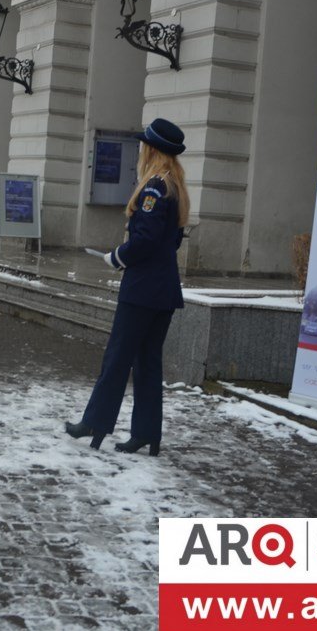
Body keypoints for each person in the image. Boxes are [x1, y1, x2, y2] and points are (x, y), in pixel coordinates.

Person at [65, 118, 190, 457]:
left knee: (117, 358)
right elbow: (172, 241)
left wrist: (117, 257)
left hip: (142, 289)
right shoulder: (175, 187)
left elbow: (146, 240)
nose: (140, 150)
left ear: (152, 150)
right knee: (148, 363)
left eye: (143, 144)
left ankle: (95, 422)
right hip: (163, 290)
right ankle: (147, 433)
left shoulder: (153, 188)